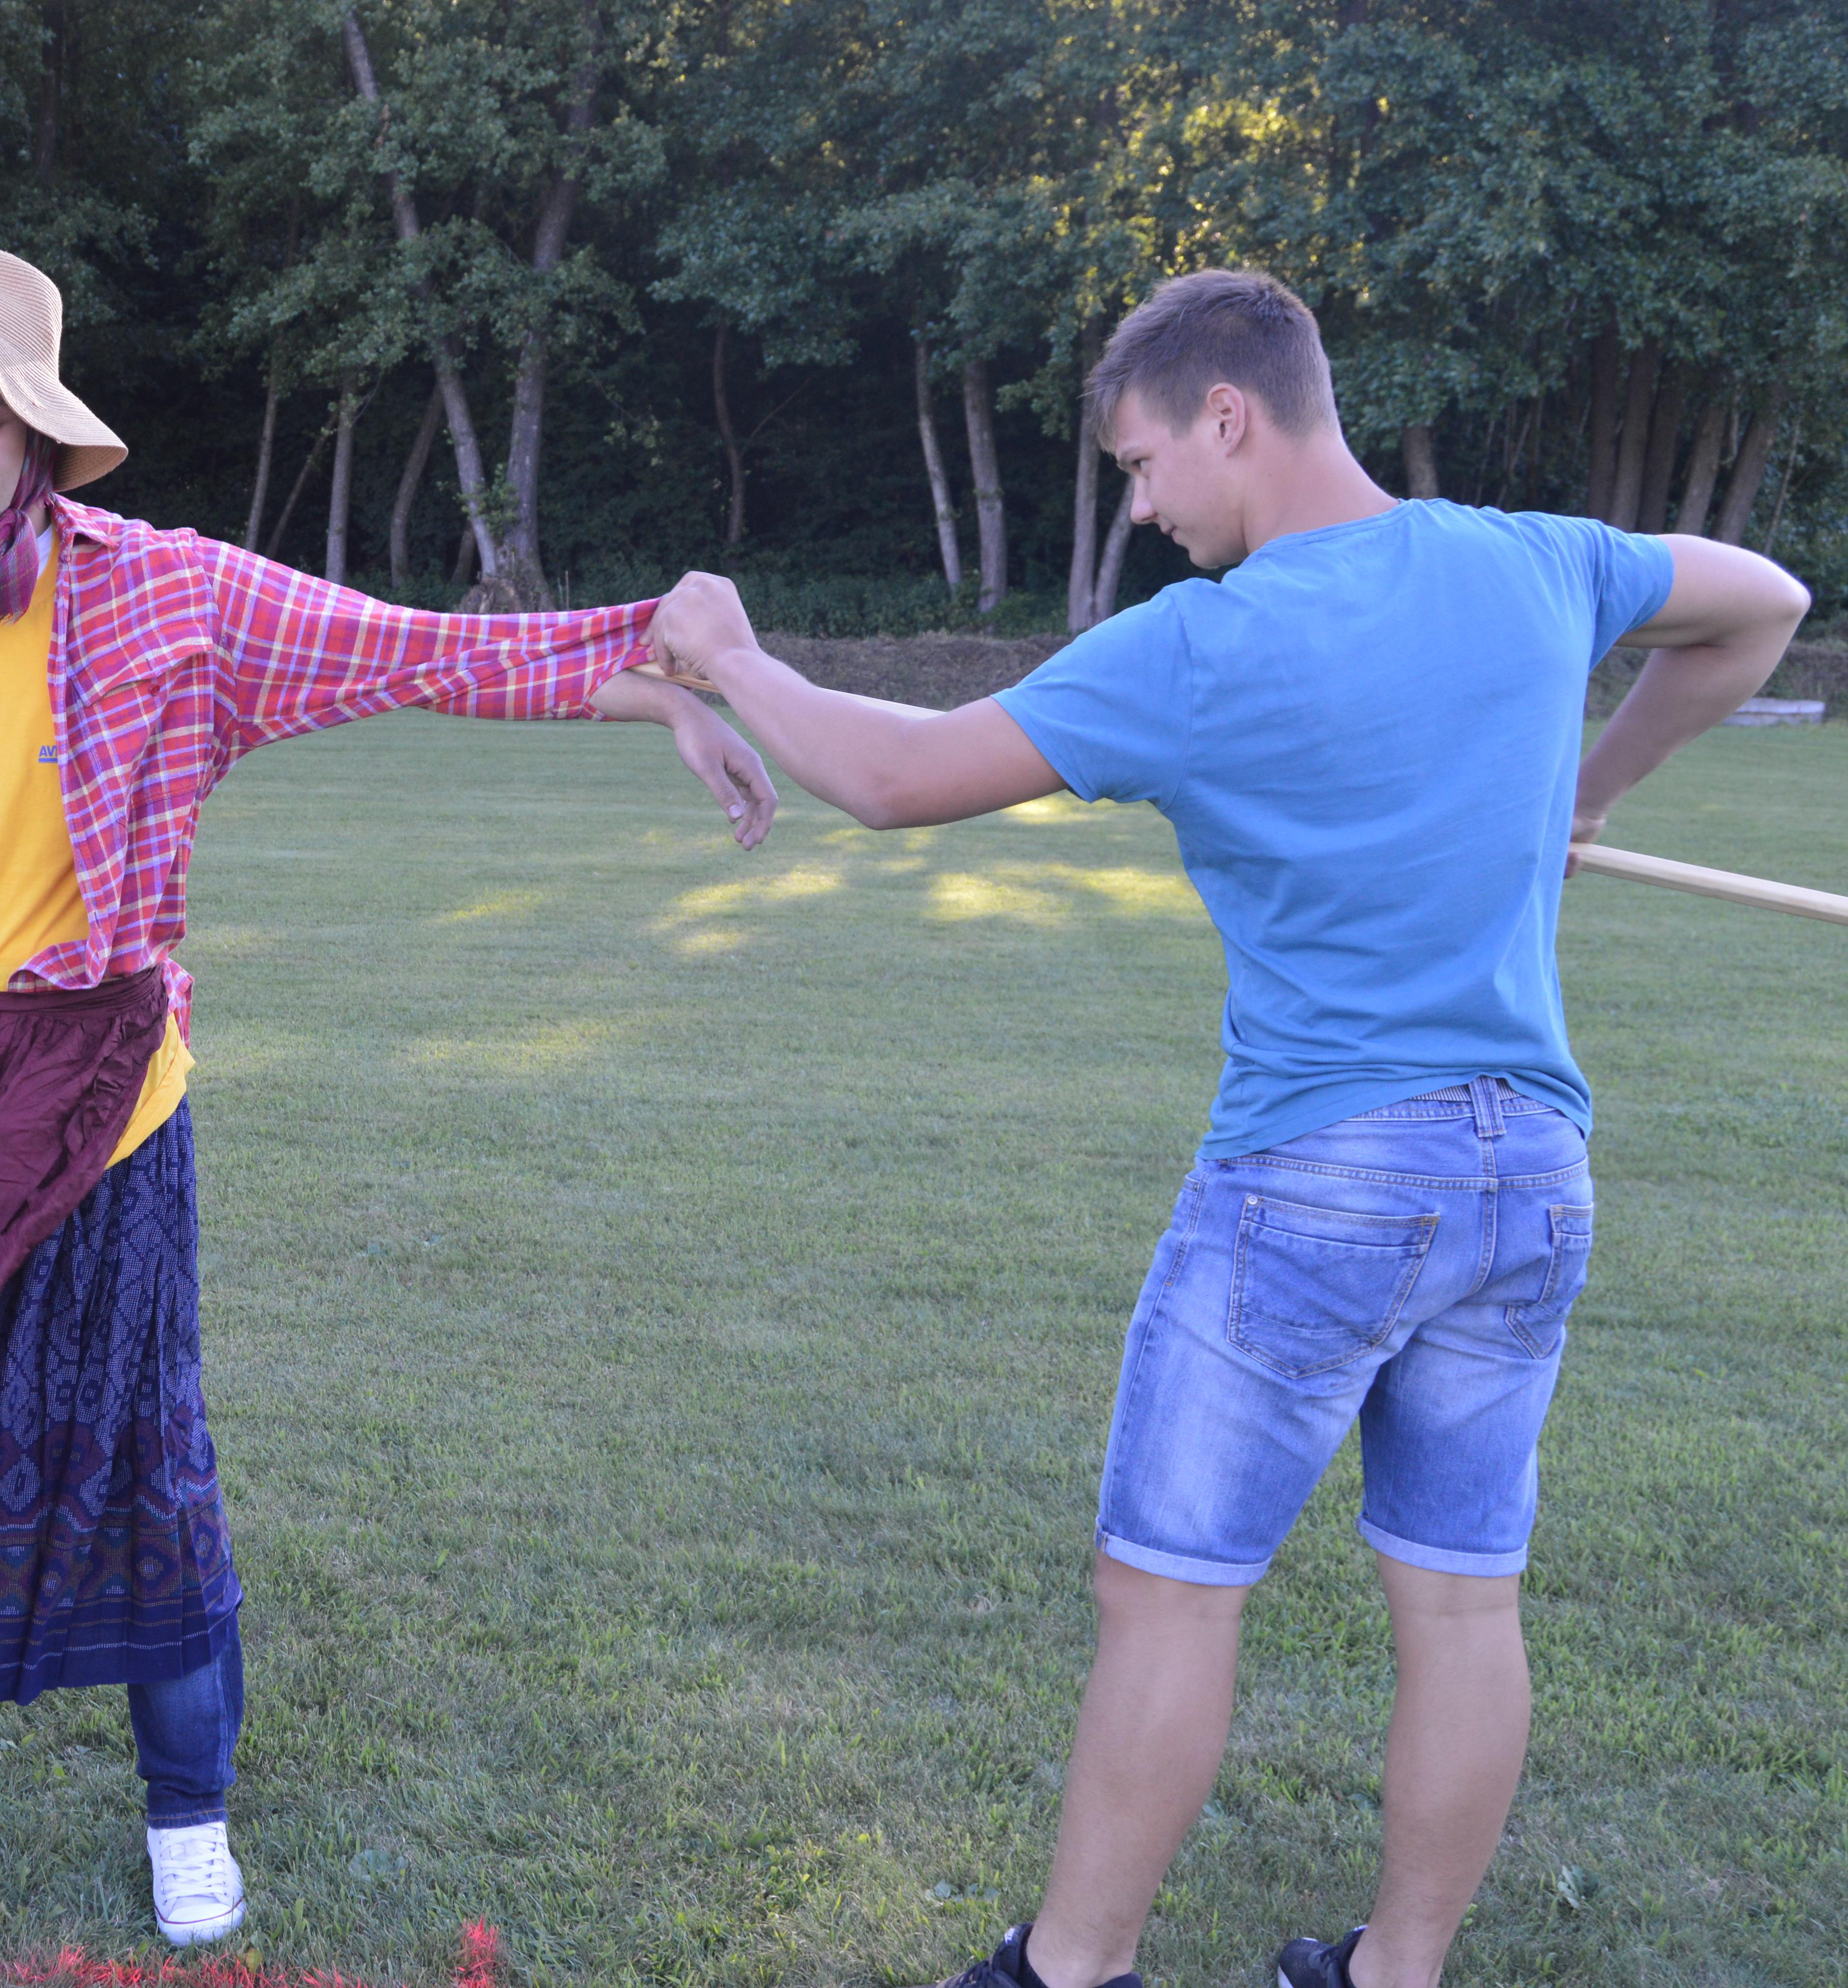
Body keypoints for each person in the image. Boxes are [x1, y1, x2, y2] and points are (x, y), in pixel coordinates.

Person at [643, 269, 1809, 1988]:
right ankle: (1395, 1974)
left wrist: (737, 659)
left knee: (1172, 1593)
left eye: (1140, 465)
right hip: (1530, 1174)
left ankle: (1071, 1970)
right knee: (1462, 1600)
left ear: (1229, 415)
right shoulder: (1536, 561)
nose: (1140, 509)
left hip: (1325, 1172)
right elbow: (1765, 606)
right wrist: (1595, 782)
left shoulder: (1207, 644)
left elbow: (897, 776)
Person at [0, 243, 777, 1946]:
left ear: (41, 431)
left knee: (138, 1456)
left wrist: (656, 684)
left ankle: (188, 1807)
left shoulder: (168, 597)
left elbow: (413, 652)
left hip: (95, 1099)